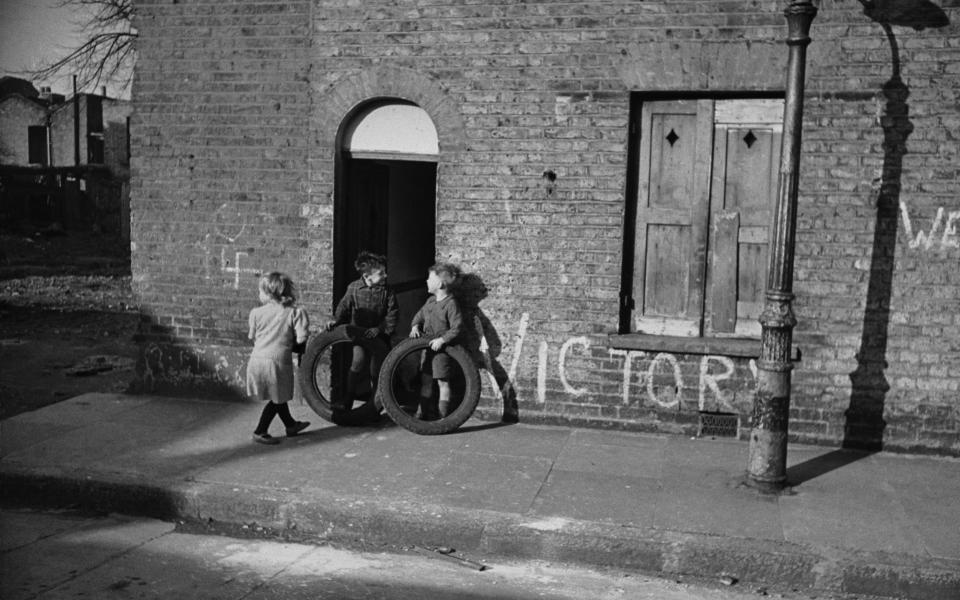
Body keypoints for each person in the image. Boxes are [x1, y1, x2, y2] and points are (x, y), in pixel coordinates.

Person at [326, 251, 399, 411]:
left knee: (376, 368)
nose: (385, 275)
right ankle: (348, 400)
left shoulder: (387, 291)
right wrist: (335, 320)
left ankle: (374, 405)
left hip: (379, 336)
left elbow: (392, 313)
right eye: (381, 273)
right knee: (357, 363)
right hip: (360, 335)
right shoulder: (353, 288)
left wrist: (380, 329)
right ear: (367, 275)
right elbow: (344, 306)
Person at [247, 272, 311, 444]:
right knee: (278, 398)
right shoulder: (295, 313)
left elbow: (252, 336)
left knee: (278, 397)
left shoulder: (255, 313)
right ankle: (260, 431)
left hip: (257, 360)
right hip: (278, 361)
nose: (259, 295)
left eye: (260, 291)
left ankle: (291, 425)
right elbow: (301, 338)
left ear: (269, 294)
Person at [409, 262, 463, 420]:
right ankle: (421, 412)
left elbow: (456, 328)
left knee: (442, 382)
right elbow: (419, 315)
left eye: (429, 278)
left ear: (439, 284)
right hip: (427, 349)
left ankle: (442, 416)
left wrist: (443, 339)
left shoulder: (451, 304)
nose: (426, 281)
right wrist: (414, 326)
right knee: (425, 381)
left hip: (442, 351)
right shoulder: (430, 301)